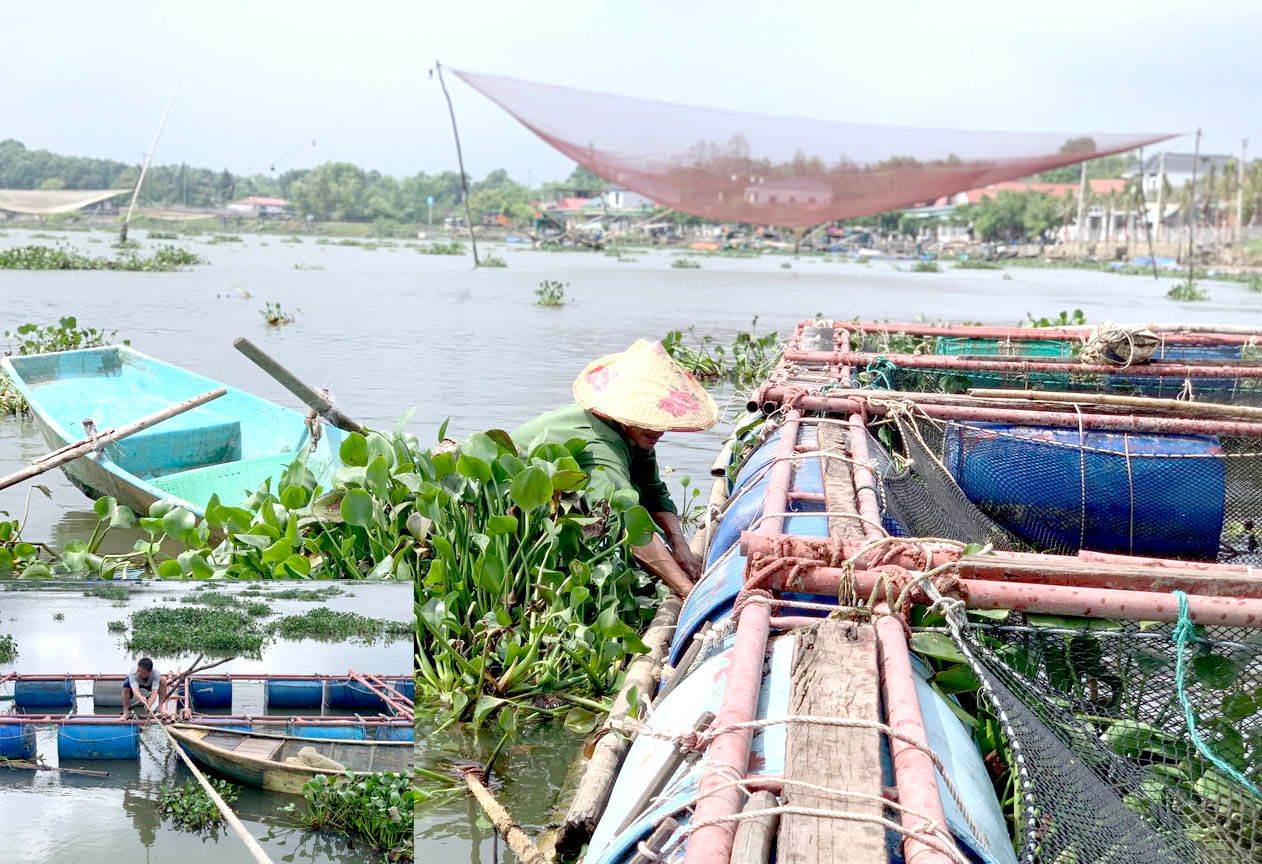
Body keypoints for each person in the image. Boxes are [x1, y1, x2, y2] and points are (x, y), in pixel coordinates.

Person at [513, 339, 719, 596]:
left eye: (662, 421)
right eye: (651, 420)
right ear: (628, 410)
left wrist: (681, 548)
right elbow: (626, 521)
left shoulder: (636, 432)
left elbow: (654, 493)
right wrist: (688, 591)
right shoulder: (600, 444)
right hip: (503, 494)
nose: (660, 430)